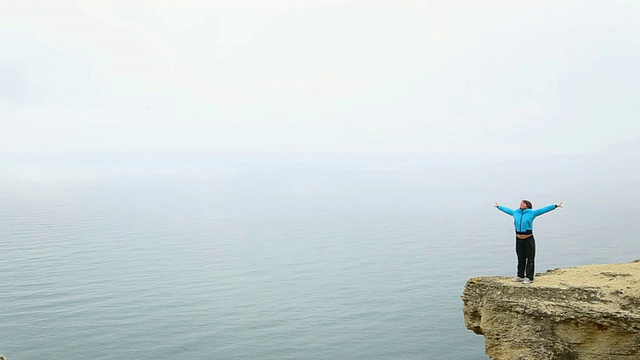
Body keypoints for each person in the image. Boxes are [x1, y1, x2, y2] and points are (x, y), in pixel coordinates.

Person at [494, 200, 563, 284]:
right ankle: (520, 276)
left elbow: (543, 210)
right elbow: (508, 210)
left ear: (527, 205)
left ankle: (529, 277)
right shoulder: (516, 212)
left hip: (528, 239)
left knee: (530, 258)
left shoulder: (532, 213)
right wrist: (499, 207)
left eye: (523, 203)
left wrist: (555, 206)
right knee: (520, 258)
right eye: (521, 203)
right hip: (519, 239)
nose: (521, 204)